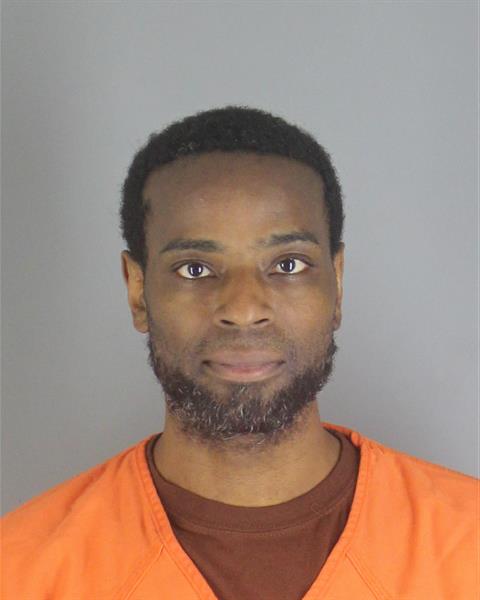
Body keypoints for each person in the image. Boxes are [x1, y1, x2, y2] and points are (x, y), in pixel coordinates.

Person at [2, 106, 477, 599]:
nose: (244, 310)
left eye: (288, 265)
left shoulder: (469, 543)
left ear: (336, 284)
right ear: (138, 291)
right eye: (194, 269)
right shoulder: (18, 571)